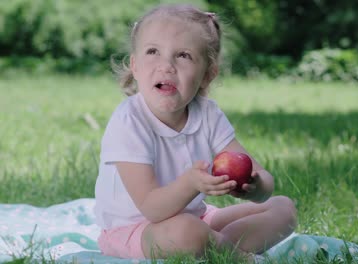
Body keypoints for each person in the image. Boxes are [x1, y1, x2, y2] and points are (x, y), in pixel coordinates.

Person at [93, 3, 297, 261]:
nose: (166, 65)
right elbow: (152, 209)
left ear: (207, 75)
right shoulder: (129, 121)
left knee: (283, 209)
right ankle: (237, 257)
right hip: (134, 231)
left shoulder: (208, 114)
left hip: (196, 219)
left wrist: (254, 187)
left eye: (183, 56)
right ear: (134, 65)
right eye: (153, 51)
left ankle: (215, 248)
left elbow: (263, 180)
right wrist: (190, 184)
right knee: (187, 232)